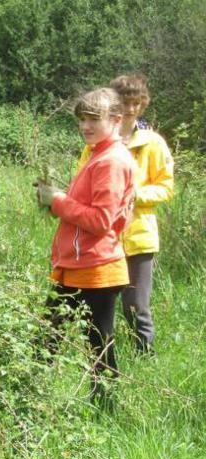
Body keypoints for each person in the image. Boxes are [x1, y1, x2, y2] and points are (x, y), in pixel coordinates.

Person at [36, 88, 136, 405]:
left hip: (97, 269)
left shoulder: (111, 161)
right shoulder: (98, 154)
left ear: (117, 120)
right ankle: (28, 400)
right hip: (77, 266)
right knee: (47, 340)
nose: (85, 126)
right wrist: (55, 201)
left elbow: (100, 220)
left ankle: (106, 412)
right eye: (82, 119)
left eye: (94, 119)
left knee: (98, 347)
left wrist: (58, 201)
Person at [75, 73, 174, 353]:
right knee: (99, 306)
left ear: (143, 105)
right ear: (114, 105)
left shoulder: (152, 142)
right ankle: (103, 360)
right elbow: (82, 181)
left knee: (135, 306)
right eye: (125, 102)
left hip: (139, 235)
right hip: (104, 237)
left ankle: (145, 358)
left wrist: (135, 195)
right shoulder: (96, 142)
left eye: (136, 103)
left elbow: (166, 187)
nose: (131, 109)